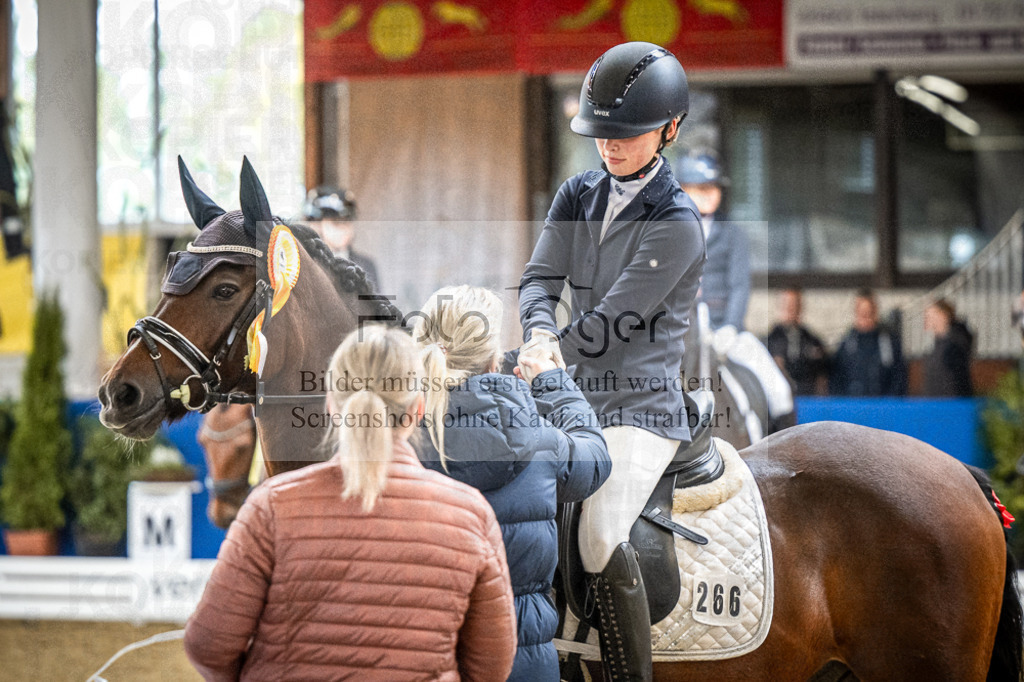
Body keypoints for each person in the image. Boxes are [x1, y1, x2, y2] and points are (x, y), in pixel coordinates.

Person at [184, 325, 517, 681]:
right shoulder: (471, 515)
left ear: (331, 404)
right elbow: (492, 666)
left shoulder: (271, 507)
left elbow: (208, 644)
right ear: (418, 409)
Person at [518, 41, 703, 681]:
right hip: (569, 397)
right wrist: (539, 333)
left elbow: (615, 324)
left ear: (670, 129)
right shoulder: (577, 193)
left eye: (628, 135)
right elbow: (540, 280)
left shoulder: (677, 220)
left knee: (599, 534)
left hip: (640, 411)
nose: (611, 146)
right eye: (602, 135)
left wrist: (550, 355)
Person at [413, 285, 611, 682]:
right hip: (519, 662)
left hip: (422, 659)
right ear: (493, 358)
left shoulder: (394, 435)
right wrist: (553, 383)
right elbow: (595, 460)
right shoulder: (535, 435)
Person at [677, 151, 750, 331]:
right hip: (678, 327)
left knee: (759, 360)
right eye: (702, 188)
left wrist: (731, 326)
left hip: (720, 325)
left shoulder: (733, 234)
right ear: (685, 189)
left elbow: (740, 286)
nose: (710, 194)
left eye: (714, 187)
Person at [830, 288, 908, 396]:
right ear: (856, 312)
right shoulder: (847, 344)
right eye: (862, 313)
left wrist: (890, 404)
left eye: (869, 312)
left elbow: (899, 377)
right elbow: (836, 378)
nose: (866, 317)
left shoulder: (889, 342)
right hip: (853, 407)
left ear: (875, 311)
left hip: (883, 408)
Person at [300, 185, 380, 291]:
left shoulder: (366, 266)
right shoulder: (302, 266)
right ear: (315, 225)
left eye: (347, 221)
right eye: (336, 222)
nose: (344, 228)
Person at [763, 287, 829, 396]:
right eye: (786, 304)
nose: (790, 308)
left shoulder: (812, 341)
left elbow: (822, 378)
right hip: (778, 403)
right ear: (779, 306)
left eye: (794, 304)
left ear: (800, 307)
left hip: (807, 402)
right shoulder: (767, 342)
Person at [923, 298, 974, 397]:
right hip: (935, 403)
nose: (926, 319)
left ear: (943, 315)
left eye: (930, 315)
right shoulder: (938, 343)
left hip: (951, 403)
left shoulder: (956, 341)